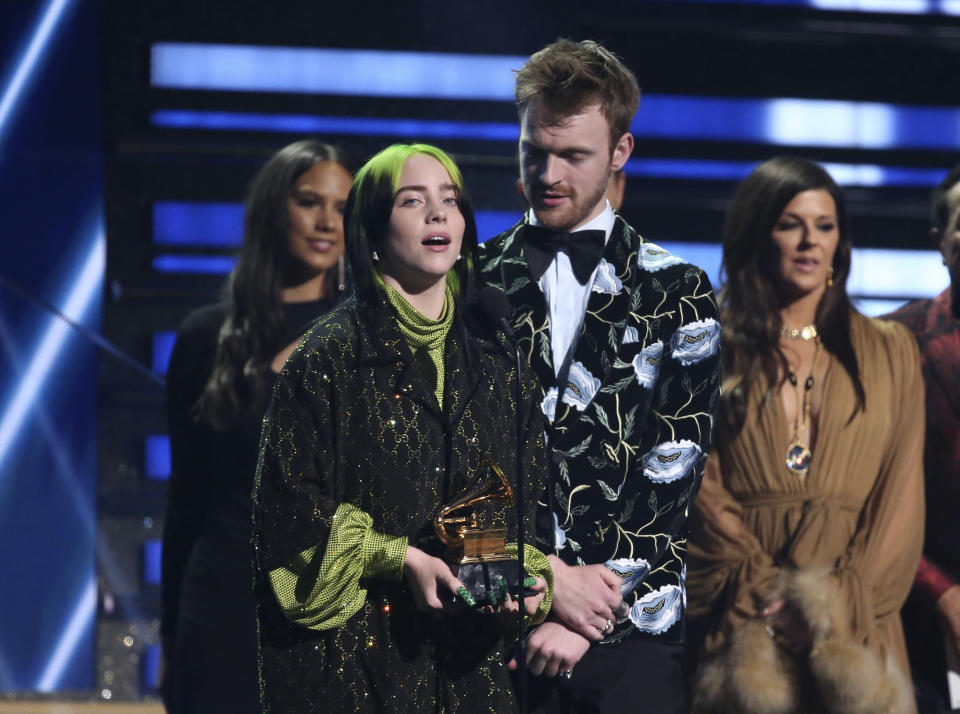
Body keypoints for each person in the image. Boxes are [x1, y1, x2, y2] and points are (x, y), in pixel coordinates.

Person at [253, 143, 552, 712]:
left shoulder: (495, 362)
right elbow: (288, 515)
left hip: (465, 675)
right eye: (413, 201)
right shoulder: (328, 357)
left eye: (450, 201)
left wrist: (500, 585)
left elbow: (506, 511)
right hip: (350, 671)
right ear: (370, 231)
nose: (438, 214)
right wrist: (401, 558)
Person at [478, 39, 721, 713]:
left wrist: (585, 614)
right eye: (535, 151)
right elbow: (451, 464)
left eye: (574, 156)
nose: (549, 173)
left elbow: (672, 472)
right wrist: (535, 589)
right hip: (486, 627)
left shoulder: (681, 290)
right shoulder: (467, 283)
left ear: (621, 152)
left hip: (628, 640)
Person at [686, 157, 924, 714]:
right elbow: (695, 480)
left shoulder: (891, 351)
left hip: (856, 635)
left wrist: (832, 603)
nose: (808, 242)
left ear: (840, 241)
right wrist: (767, 593)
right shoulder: (708, 346)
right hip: (744, 623)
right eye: (790, 223)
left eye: (824, 225)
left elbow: (901, 500)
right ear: (758, 232)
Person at [160, 140, 352, 714]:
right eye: (308, 202)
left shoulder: (366, 337)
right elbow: (186, 500)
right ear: (273, 209)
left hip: (327, 614)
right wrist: (170, 635)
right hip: (220, 611)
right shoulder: (204, 337)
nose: (326, 221)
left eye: (342, 207)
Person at [886, 163, 960, 714]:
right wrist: (942, 593)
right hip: (917, 617)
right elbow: (869, 492)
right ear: (940, 242)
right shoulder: (893, 342)